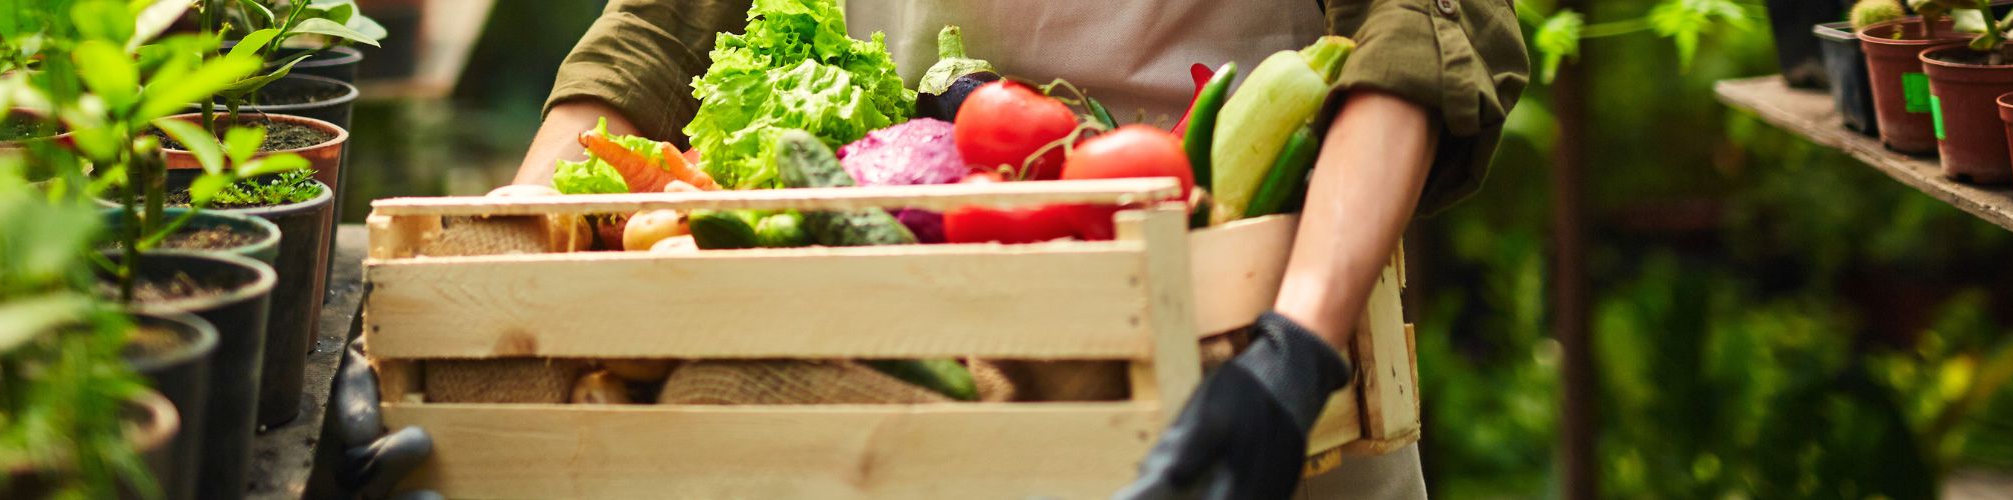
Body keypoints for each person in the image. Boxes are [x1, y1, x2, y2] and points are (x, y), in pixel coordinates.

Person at [327, 0, 1525, 498]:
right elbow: (654, 32)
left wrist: (1297, 345)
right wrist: (485, 279)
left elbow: (1420, 33)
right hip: (874, 383)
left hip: (1223, 346)